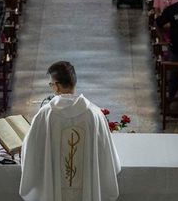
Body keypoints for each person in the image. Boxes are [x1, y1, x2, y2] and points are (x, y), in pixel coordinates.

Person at [19, 61, 121, 201]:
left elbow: (30, 150)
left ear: (57, 86)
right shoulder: (94, 114)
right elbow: (107, 156)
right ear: (74, 82)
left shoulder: (46, 115)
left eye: (51, 84)